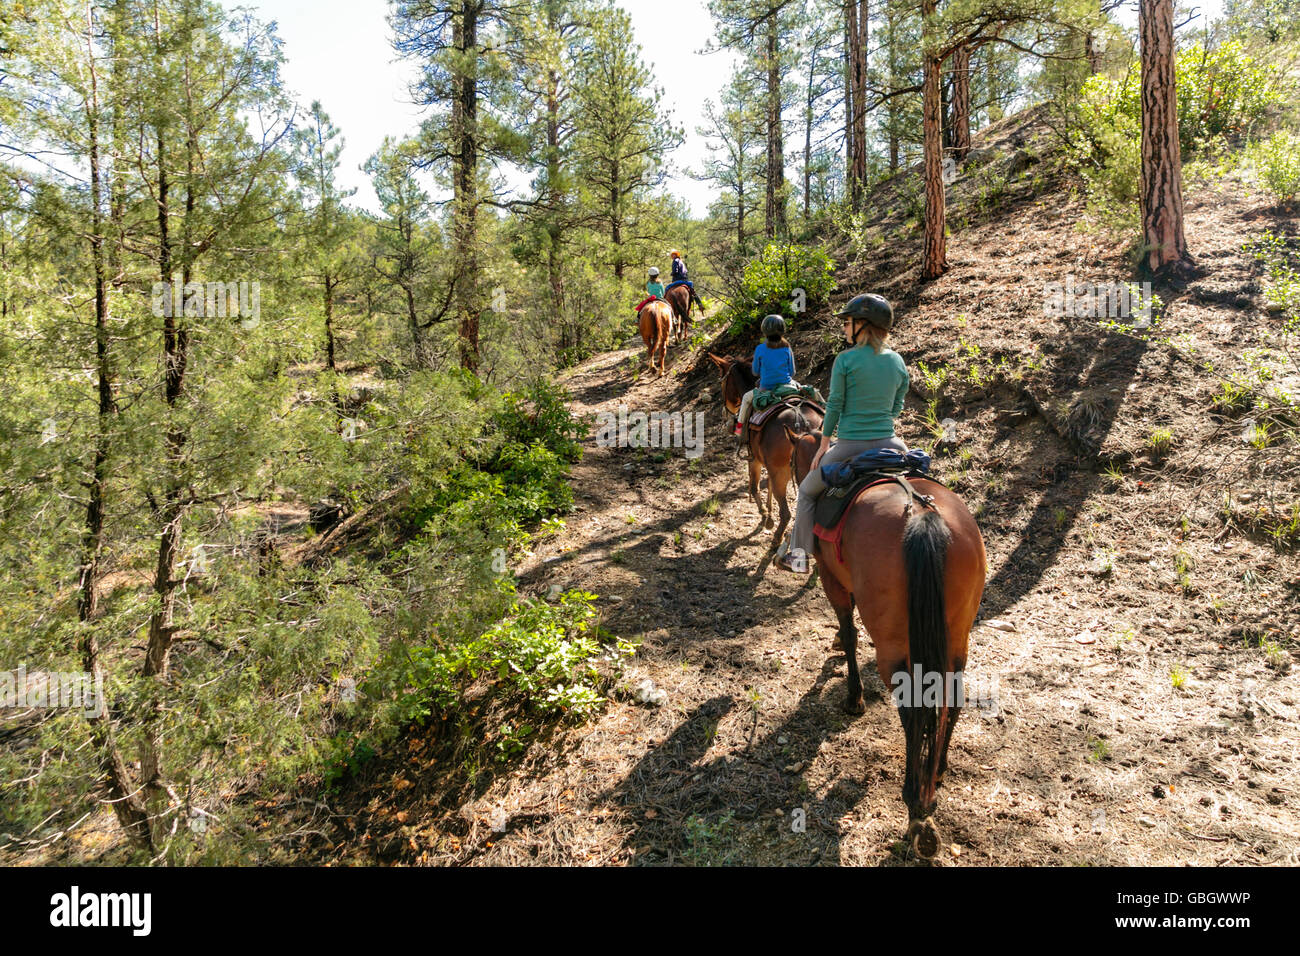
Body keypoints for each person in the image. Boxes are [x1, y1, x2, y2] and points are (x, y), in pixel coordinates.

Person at [779, 293, 909, 574]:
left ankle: (799, 556)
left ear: (863, 325)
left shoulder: (846, 360)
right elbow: (896, 408)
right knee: (917, 479)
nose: (844, 328)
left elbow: (835, 406)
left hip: (849, 445)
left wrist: (824, 445)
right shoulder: (898, 361)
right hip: (893, 443)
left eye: (848, 322)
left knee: (807, 491)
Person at [734, 314, 799, 454]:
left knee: (746, 398)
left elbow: (755, 372)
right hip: (788, 386)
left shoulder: (760, 349)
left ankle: (739, 430)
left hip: (766, 388)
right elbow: (792, 371)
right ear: (783, 330)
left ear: (765, 331)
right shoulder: (787, 347)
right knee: (807, 392)